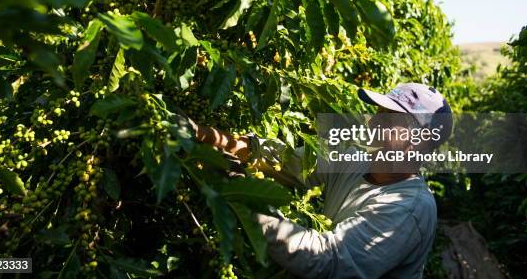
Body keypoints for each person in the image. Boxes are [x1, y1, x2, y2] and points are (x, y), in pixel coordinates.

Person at [190, 83, 453, 279]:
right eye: (378, 113)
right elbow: (278, 156)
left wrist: (243, 195)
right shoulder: (354, 160)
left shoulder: (409, 208)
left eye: (388, 118)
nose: (373, 123)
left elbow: (326, 259)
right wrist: (202, 135)